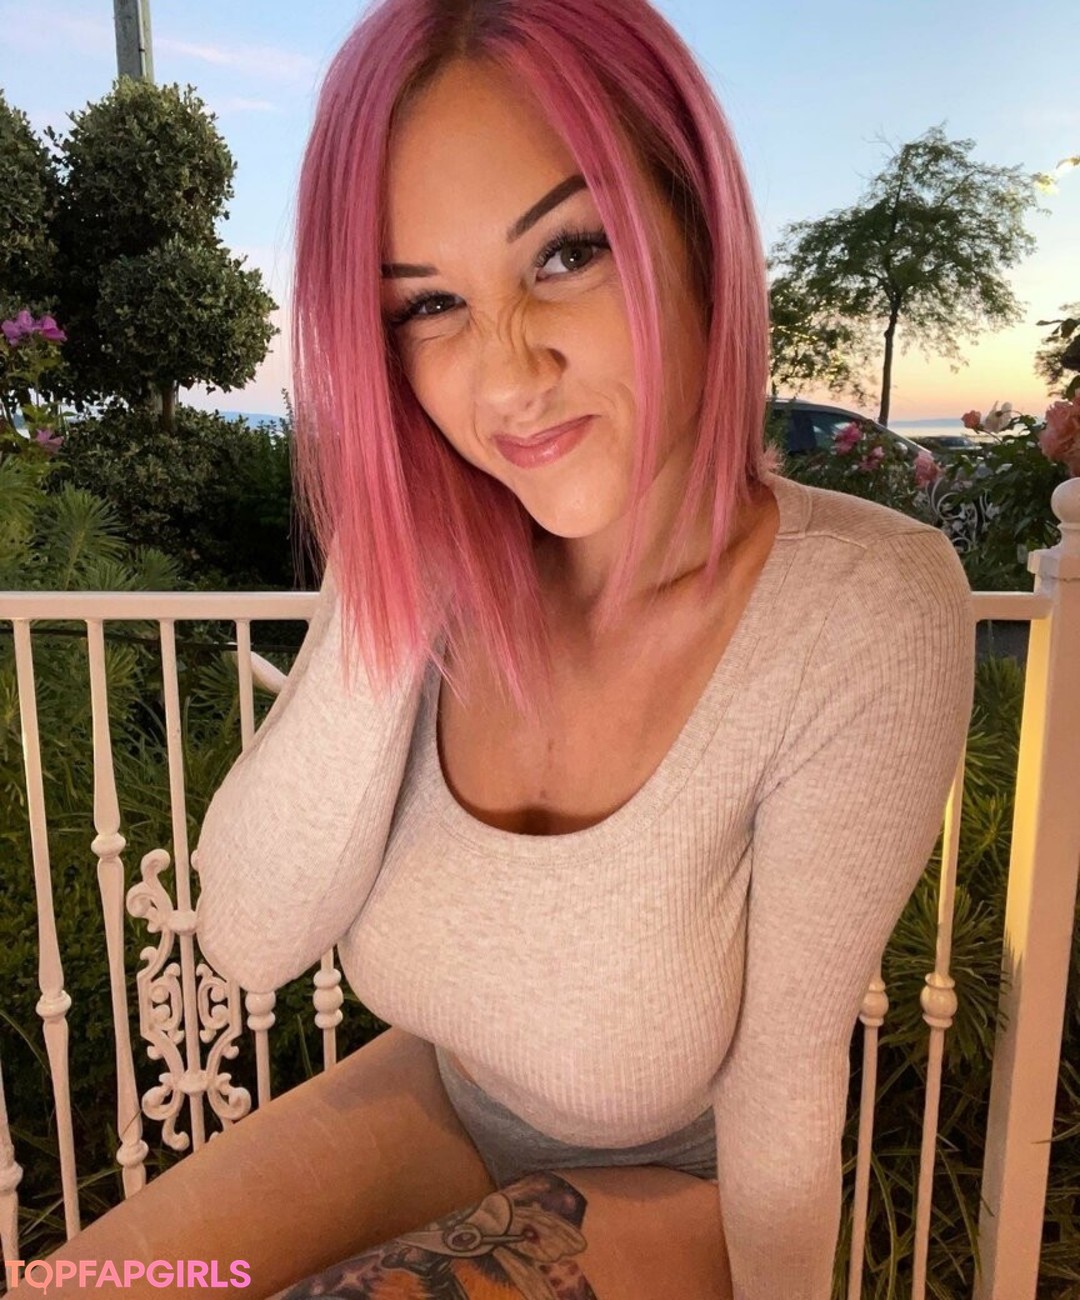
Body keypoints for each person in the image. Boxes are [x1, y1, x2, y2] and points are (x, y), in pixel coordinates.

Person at [48, 0, 975, 1296]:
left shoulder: (860, 611)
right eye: (428, 303)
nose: (505, 374)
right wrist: (399, 563)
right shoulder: (436, 564)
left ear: (698, 230)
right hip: (442, 1100)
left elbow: (784, 1083)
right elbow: (251, 936)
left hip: (686, 1186)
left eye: (566, 253)